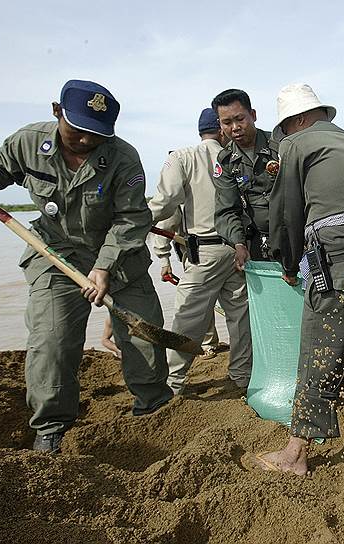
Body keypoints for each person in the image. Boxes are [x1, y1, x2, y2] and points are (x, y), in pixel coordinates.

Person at [0, 80, 173, 453]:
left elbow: (132, 219)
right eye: (78, 130)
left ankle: (154, 408)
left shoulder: (124, 158)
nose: (86, 141)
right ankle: (51, 426)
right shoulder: (27, 141)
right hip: (55, 253)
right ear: (58, 112)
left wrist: (103, 268)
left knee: (144, 336)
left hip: (120, 258)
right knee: (52, 339)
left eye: (96, 135)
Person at [255, 83, 344, 476]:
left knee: (319, 353)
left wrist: (286, 260)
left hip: (337, 266)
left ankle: (295, 454)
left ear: (295, 121)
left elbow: (286, 214)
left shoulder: (297, 146)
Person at [148, 107, 252, 394]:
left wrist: (136, 220)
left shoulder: (182, 157)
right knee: (241, 318)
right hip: (238, 251)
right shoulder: (236, 157)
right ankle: (242, 375)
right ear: (221, 130)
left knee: (187, 319)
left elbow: (166, 202)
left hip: (204, 253)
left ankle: (174, 382)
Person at [212, 89, 279, 268]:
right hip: (258, 242)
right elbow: (227, 209)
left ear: (253, 115)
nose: (235, 128)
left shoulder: (281, 146)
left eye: (240, 119)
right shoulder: (226, 161)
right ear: (220, 124)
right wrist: (238, 243)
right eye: (227, 122)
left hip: (295, 237)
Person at [150, 207, 225, 359]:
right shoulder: (180, 199)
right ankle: (208, 343)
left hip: (226, 250)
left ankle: (213, 343)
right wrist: (164, 260)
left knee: (206, 300)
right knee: (200, 301)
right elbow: (164, 227)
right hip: (196, 255)